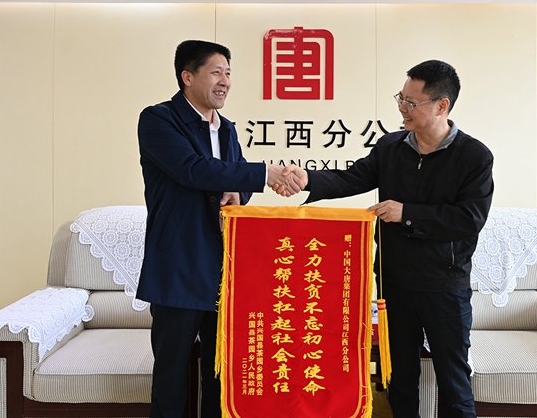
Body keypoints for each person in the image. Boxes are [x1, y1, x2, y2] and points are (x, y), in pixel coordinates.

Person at [281, 60, 493, 418]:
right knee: (400, 379)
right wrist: (308, 179)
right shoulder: (391, 146)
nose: (402, 108)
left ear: (441, 106)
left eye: (412, 102)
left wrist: (406, 212)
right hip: (394, 284)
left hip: (444, 287)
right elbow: (352, 178)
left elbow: (468, 219)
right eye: (401, 98)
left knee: (454, 382)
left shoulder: (473, 157)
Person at [137, 40, 301, 418]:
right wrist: (265, 173)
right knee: (171, 379)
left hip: (224, 271)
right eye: (216, 72)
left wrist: (239, 190)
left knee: (221, 375)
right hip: (178, 267)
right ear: (187, 76)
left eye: (228, 73)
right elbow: (192, 170)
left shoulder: (226, 129)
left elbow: (234, 179)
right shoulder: (159, 119)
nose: (225, 81)